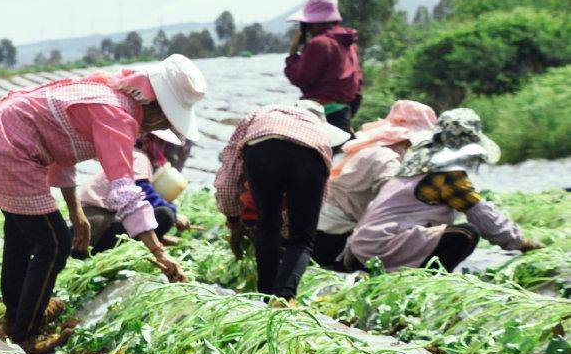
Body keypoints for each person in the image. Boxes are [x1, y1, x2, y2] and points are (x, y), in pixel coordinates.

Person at [0, 57, 202, 354]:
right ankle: (25, 334)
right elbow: (126, 191)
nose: (158, 128)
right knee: (53, 243)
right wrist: (159, 253)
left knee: (20, 237)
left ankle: (17, 316)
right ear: (156, 107)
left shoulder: (109, 98)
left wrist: (75, 209)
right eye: (165, 120)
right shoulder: (117, 115)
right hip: (11, 145)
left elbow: (62, 154)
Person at [345, 108, 541, 272]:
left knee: (448, 232)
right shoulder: (446, 176)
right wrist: (520, 242)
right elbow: (482, 215)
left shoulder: (416, 162)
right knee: (466, 234)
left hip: (359, 248)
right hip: (378, 249)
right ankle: (426, 280)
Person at [215, 101, 350, 298]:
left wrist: (233, 220)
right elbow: (317, 198)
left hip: (263, 145)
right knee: (302, 239)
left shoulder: (260, 114)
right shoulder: (318, 132)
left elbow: (229, 172)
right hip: (310, 155)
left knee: (268, 225)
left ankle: (265, 294)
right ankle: (283, 296)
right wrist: (291, 231)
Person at [314, 100, 437, 267]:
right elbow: (393, 203)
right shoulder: (387, 159)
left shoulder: (366, 148)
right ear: (409, 140)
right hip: (335, 238)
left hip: (318, 230)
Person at [77, 133, 184, 254]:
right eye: (161, 143)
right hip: (96, 228)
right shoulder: (139, 158)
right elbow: (145, 196)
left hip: (93, 224)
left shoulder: (131, 153)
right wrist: (175, 215)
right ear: (154, 142)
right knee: (165, 214)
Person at [283, 0, 362, 134]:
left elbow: (301, 78)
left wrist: (293, 53)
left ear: (311, 23)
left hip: (320, 113)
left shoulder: (319, 43)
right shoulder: (349, 43)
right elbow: (357, 83)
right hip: (343, 112)